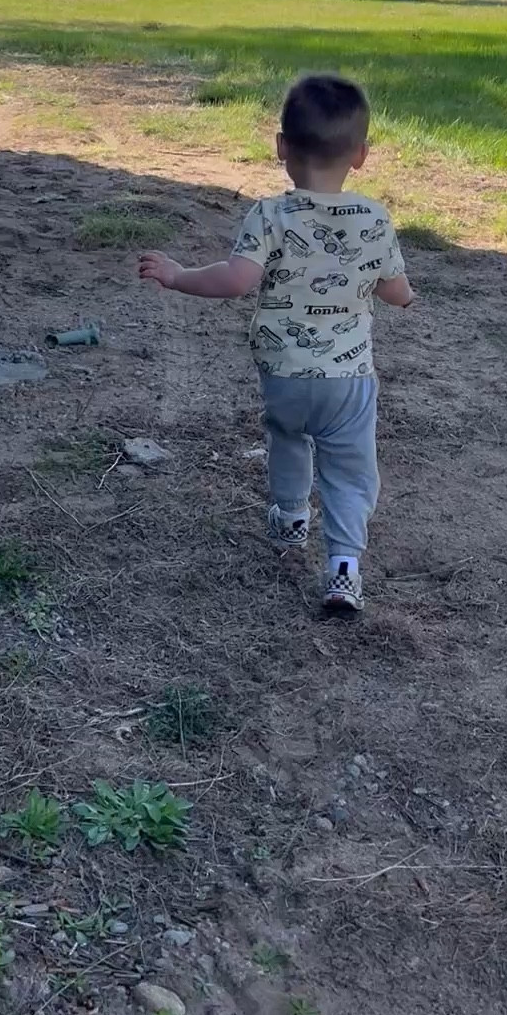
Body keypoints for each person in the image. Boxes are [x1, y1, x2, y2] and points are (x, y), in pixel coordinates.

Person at [139, 74, 413, 614]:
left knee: (288, 438)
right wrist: (404, 297)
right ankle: (342, 568)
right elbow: (394, 289)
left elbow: (236, 280)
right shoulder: (373, 219)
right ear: (360, 155)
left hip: (284, 373)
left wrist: (177, 275)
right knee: (350, 469)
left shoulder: (270, 215)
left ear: (282, 146)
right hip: (348, 379)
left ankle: (289, 517)